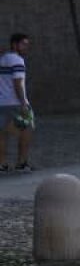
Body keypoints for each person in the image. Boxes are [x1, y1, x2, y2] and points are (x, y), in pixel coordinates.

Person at [0, 33, 35, 173]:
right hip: (15, 103)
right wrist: (24, 104)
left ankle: (1, 165)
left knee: (2, 134)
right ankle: (22, 163)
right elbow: (18, 84)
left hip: (1, 102)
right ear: (14, 44)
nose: (26, 47)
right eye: (23, 44)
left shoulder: (2, 59)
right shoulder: (18, 61)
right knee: (27, 130)